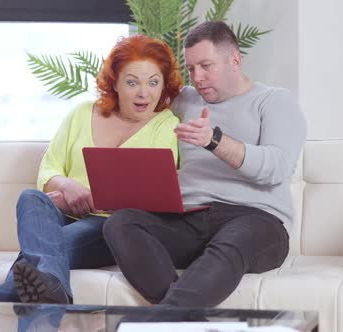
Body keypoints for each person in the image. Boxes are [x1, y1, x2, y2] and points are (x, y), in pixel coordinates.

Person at [103, 21, 307, 307]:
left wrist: (214, 140)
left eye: (206, 66)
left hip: (257, 221)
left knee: (233, 242)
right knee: (121, 223)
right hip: (189, 219)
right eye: (191, 68)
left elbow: (276, 169)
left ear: (235, 60)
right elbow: (133, 105)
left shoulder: (273, 101)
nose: (197, 77)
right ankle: (179, 318)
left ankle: (164, 320)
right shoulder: (185, 99)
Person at [0, 34, 183, 305]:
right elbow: (49, 169)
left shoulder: (165, 124)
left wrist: (95, 198)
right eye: (132, 82)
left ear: (164, 84)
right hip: (63, 214)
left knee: (38, 256)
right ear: (114, 82)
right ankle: (52, 288)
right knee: (31, 199)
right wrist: (67, 186)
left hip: (109, 226)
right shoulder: (81, 113)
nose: (143, 92)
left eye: (153, 82)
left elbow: (154, 191)